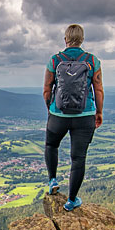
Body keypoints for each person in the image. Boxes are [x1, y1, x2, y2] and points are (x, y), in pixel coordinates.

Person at [43, 23, 103, 211]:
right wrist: (99, 112)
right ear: (82, 40)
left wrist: (51, 109)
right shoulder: (92, 61)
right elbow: (98, 89)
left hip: (58, 114)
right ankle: (71, 200)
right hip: (84, 116)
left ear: (66, 39)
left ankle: (53, 180)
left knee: (51, 145)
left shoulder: (55, 61)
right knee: (78, 158)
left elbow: (46, 90)